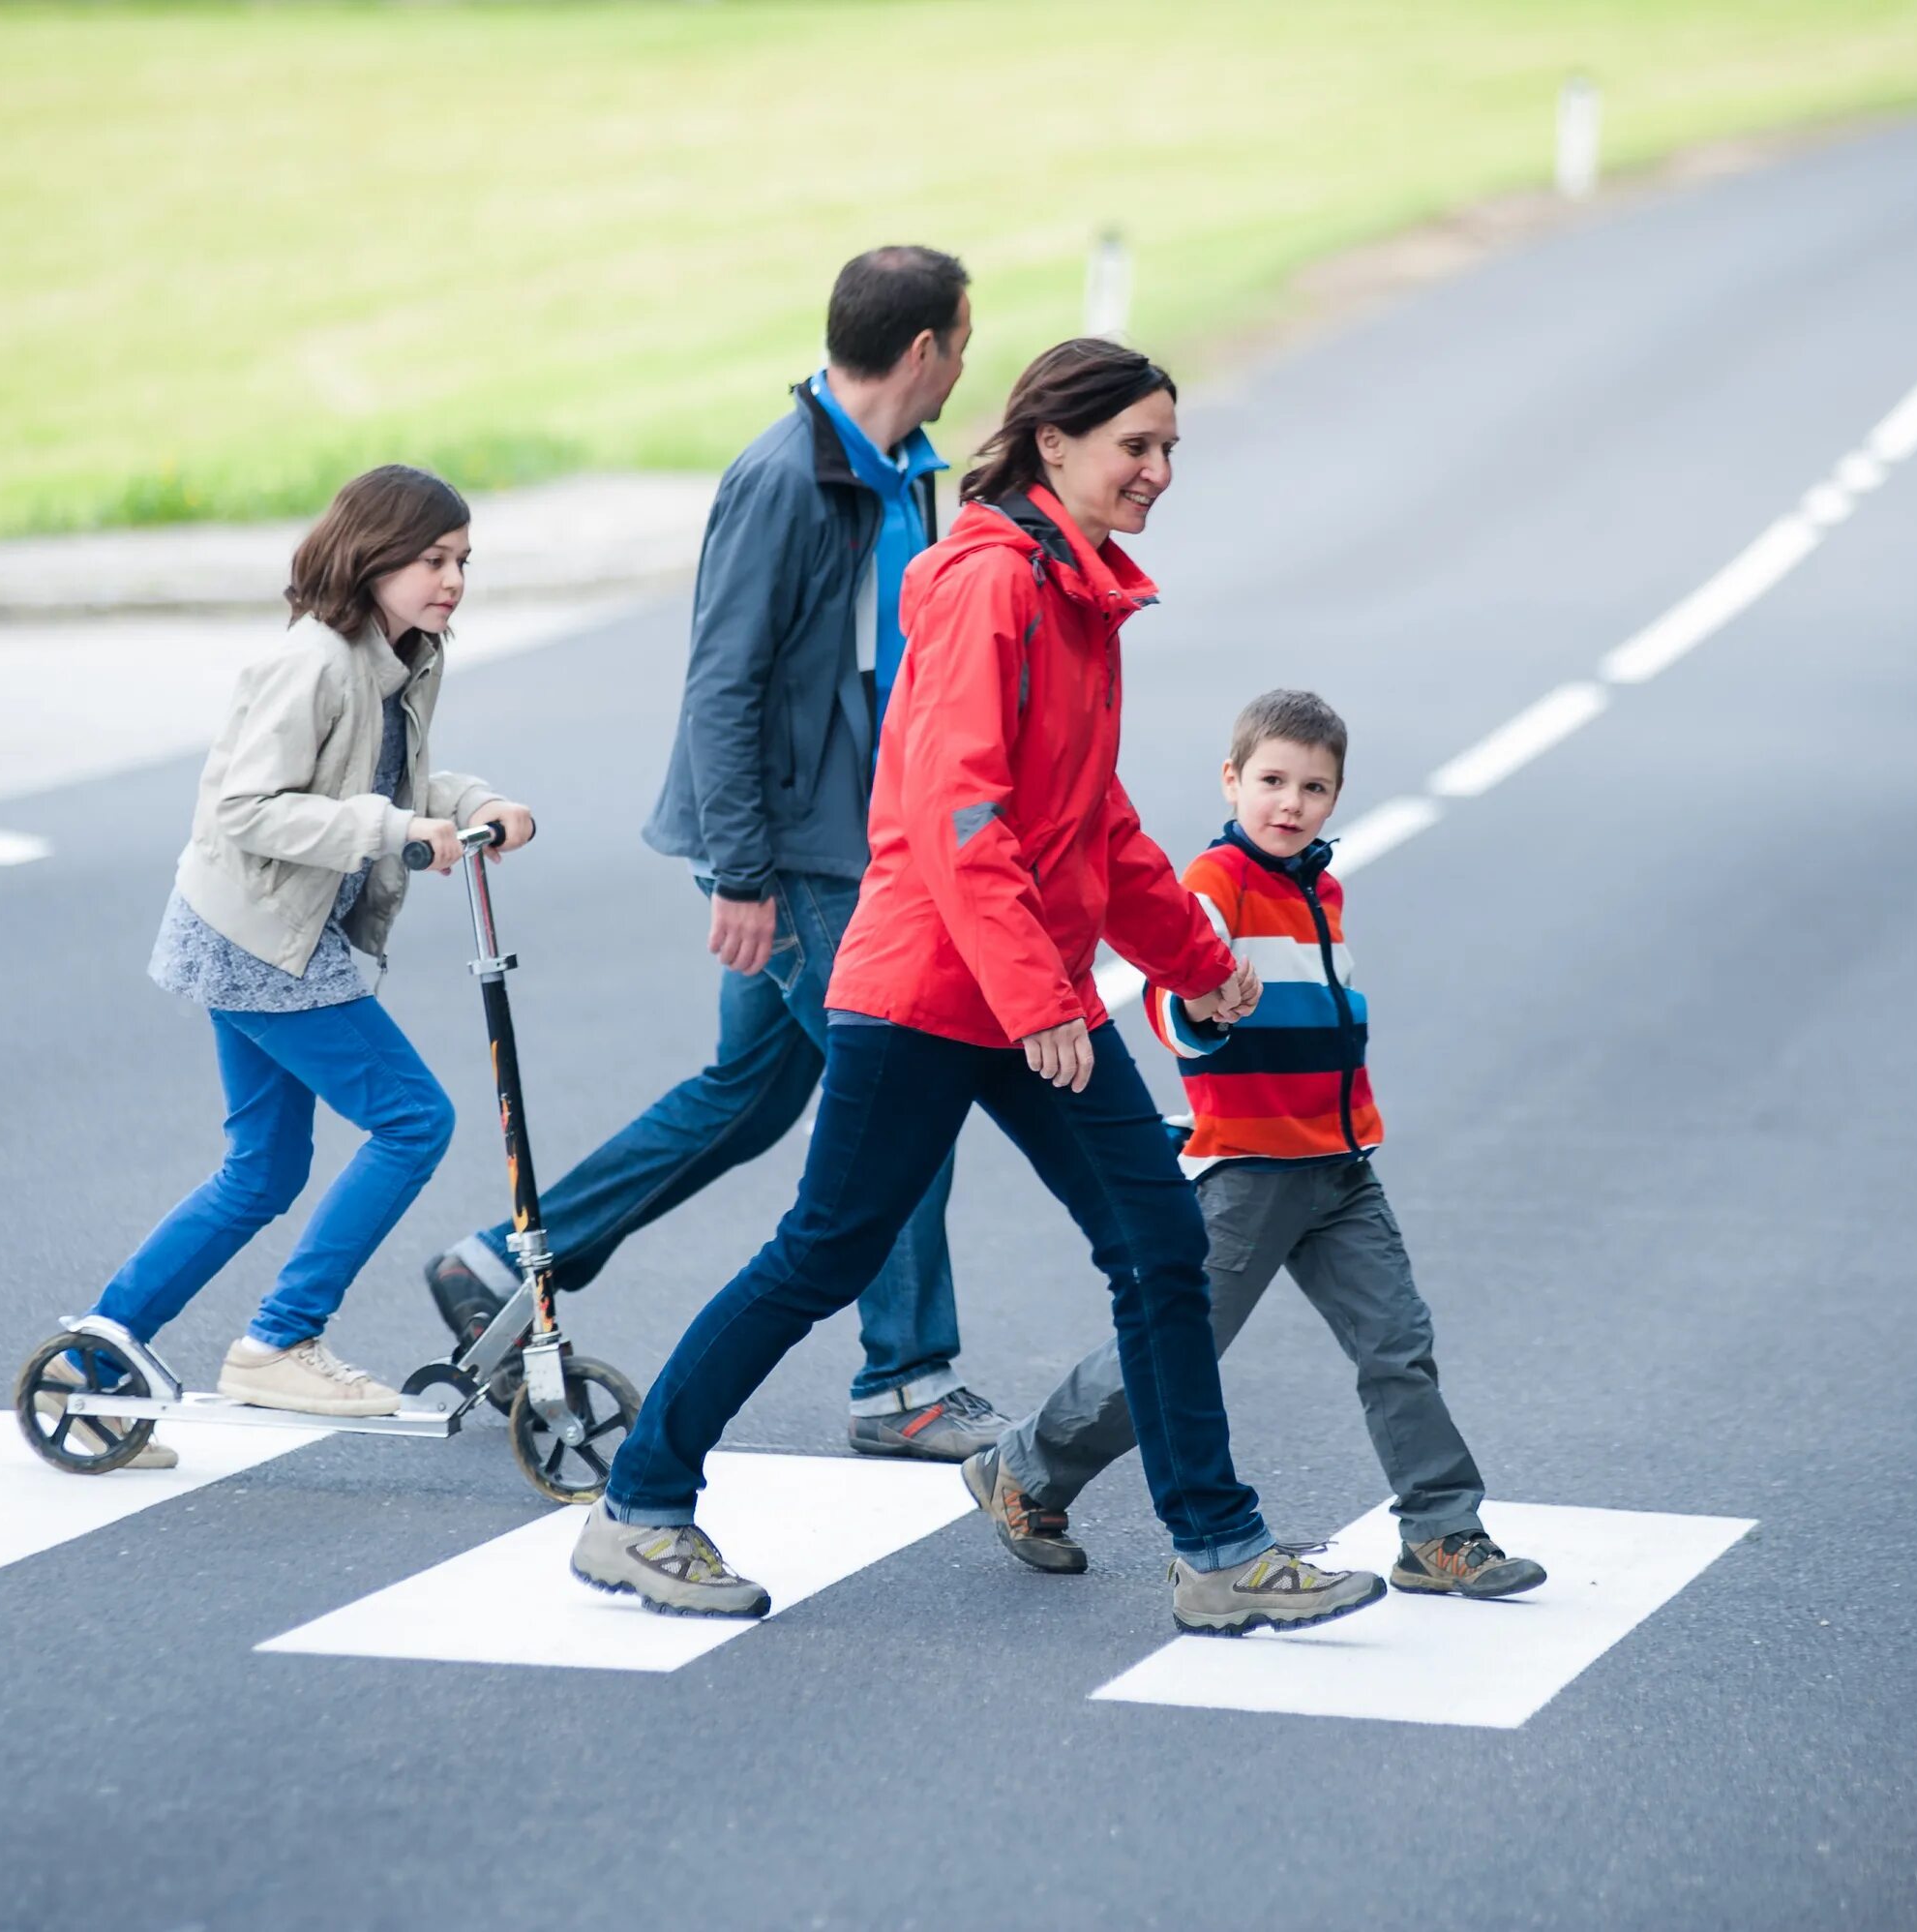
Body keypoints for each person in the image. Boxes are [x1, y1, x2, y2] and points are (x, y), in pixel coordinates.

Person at [568, 340, 1388, 1636]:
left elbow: (1095, 820)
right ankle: (641, 1508)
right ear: (1054, 444)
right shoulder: (990, 586)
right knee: (824, 1253)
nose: (1161, 472)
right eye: (1138, 446)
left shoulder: (1083, 591)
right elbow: (962, 815)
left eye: (1172, 448)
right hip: (930, 990)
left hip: (1023, 990)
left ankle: (1218, 1551)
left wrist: (1202, 964)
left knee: (1160, 1245)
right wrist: (1043, 1004)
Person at [419, 247, 1007, 1462]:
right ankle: (905, 1381)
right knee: (901, 1091)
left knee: (749, 1098)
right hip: (802, 853)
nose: (966, 361)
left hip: (858, 836)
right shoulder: (785, 478)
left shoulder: (897, 468)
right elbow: (724, 681)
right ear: (922, 352)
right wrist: (743, 875)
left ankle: (504, 1258)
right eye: (963, 340)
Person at [966, 689, 1548, 1599]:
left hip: (1340, 1165)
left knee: (1397, 1343)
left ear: (1336, 797)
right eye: (1272, 781)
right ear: (1232, 780)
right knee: (1170, 1354)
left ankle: (1440, 1529)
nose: (1291, 803)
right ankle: (1028, 1469)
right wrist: (1198, 1007)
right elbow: (1172, 999)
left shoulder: (1321, 886)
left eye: (1315, 788)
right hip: (1246, 1167)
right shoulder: (1214, 883)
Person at [41, 465, 535, 1468]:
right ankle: (280, 1337)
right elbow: (246, 807)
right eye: (433, 560)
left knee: (262, 1169)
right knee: (414, 1119)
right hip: (262, 937)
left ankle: (91, 1369)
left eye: (463, 562)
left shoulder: (410, 653)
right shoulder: (313, 662)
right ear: (375, 556)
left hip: (282, 935)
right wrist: (398, 832)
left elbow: (393, 775)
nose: (452, 580)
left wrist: (474, 801)